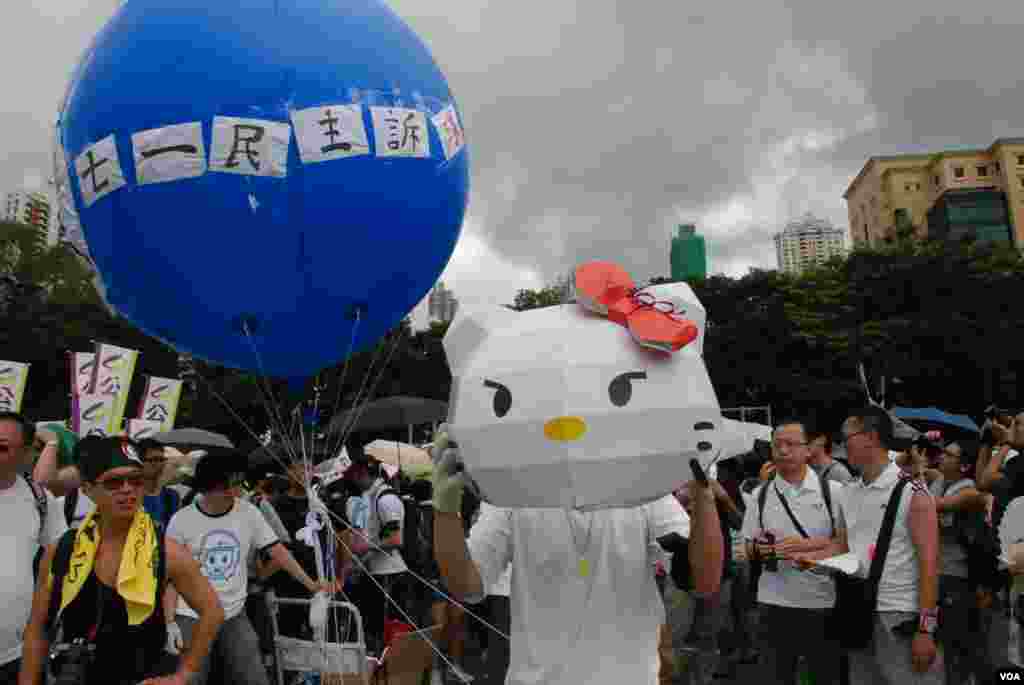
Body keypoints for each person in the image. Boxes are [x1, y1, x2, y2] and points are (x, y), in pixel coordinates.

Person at [432, 427, 723, 684]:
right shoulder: (514, 491)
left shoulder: (643, 488)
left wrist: (704, 495)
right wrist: (446, 508)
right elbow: (468, 586)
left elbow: (703, 581)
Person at [18, 436, 224, 685]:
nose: (127, 489)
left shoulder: (167, 552)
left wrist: (183, 675)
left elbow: (212, 611)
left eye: (136, 481)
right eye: (114, 482)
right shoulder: (62, 550)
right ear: (87, 490)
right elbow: (37, 629)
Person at [166, 450, 332, 685]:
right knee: (193, 679)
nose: (239, 490)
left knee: (252, 676)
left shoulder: (248, 512)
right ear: (214, 486)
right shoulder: (181, 521)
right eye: (234, 483)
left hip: (234, 614)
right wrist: (170, 621)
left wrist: (311, 584)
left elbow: (279, 551)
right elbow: (172, 578)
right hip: (192, 616)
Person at [837, 406, 942, 685]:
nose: (841, 445)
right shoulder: (848, 492)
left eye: (846, 437)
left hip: (900, 616)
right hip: (857, 614)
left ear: (870, 437)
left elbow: (929, 564)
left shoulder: (913, 493)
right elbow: (842, 549)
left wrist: (925, 629)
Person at [741, 419, 846, 685]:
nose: (783, 451)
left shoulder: (833, 492)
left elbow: (847, 543)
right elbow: (745, 548)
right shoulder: (760, 495)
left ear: (808, 449)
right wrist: (763, 550)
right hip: (772, 602)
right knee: (775, 676)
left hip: (821, 601)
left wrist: (808, 549)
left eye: (790, 444)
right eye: (777, 445)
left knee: (823, 676)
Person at [0, 413, 67, 682]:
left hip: (14, 656)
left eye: (2, 447)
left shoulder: (40, 499)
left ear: (27, 454)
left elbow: (58, 561)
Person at [928, 440, 991, 684]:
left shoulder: (969, 491)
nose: (942, 456)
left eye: (949, 454)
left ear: (964, 466)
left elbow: (933, 506)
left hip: (958, 576)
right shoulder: (939, 481)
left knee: (961, 644)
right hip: (938, 573)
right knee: (944, 640)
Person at [137, 439, 182, 528]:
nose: (160, 464)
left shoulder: (172, 496)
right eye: (154, 460)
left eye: (162, 459)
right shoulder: (131, 495)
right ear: (139, 463)